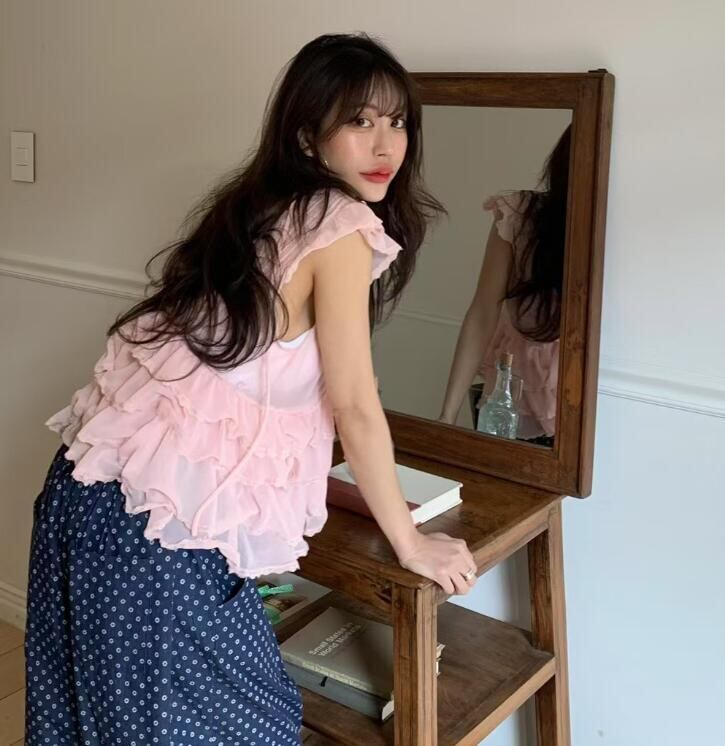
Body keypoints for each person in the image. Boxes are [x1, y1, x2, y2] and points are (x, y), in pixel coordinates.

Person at [25, 32, 478, 745]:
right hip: (151, 527)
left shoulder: (261, 207)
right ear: (306, 136)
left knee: (91, 719)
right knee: (238, 724)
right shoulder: (340, 226)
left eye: (396, 122)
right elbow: (354, 405)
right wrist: (411, 543)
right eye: (358, 120)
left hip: (89, 499)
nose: (384, 144)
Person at [438, 125, 571, 446]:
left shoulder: (624, 230)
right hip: (514, 403)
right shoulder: (522, 215)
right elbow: (483, 311)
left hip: (590, 408)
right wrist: (447, 416)